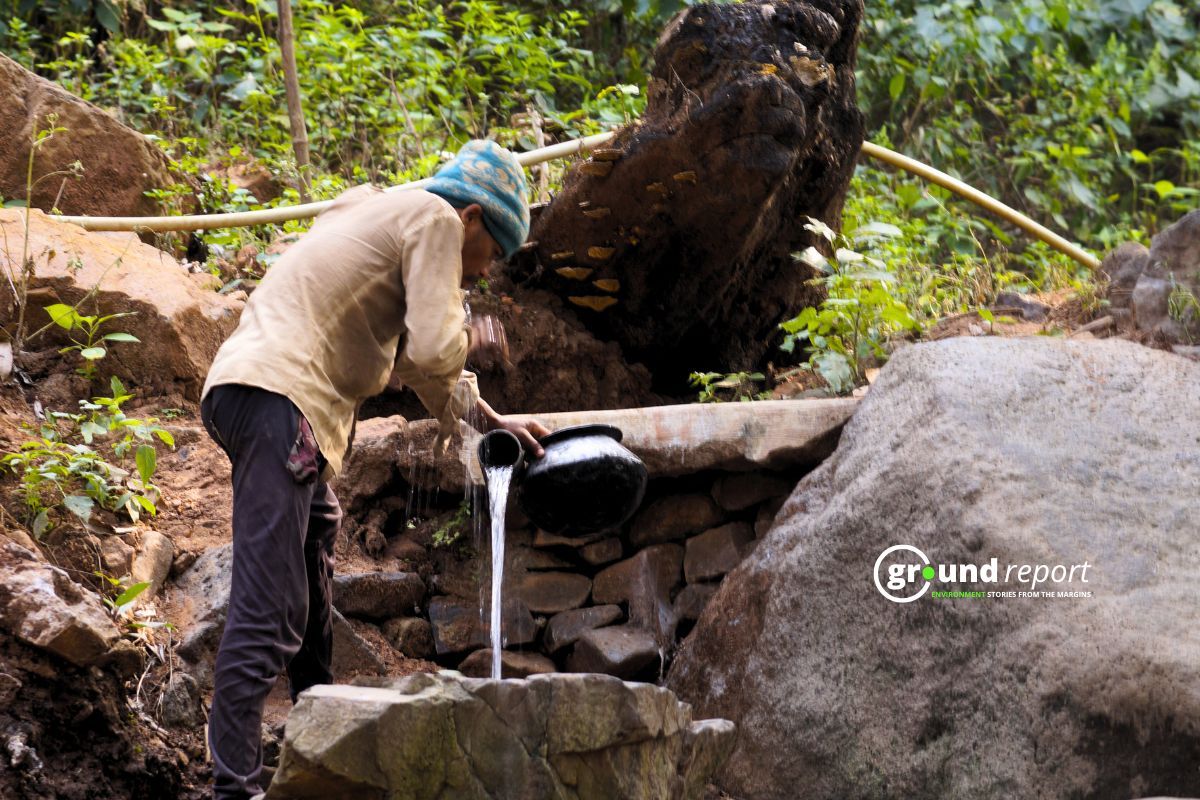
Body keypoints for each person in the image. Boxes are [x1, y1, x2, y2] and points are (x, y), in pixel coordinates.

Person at [199, 140, 549, 800]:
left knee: (313, 559)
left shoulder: (379, 211)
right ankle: (233, 788)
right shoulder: (437, 221)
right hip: (281, 402)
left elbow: (425, 370)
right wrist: (469, 331)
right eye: (494, 253)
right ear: (474, 219)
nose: (486, 272)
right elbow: (435, 345)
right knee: (268, 608)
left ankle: (320, 737)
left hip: (258, 395)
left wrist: (493, 423)